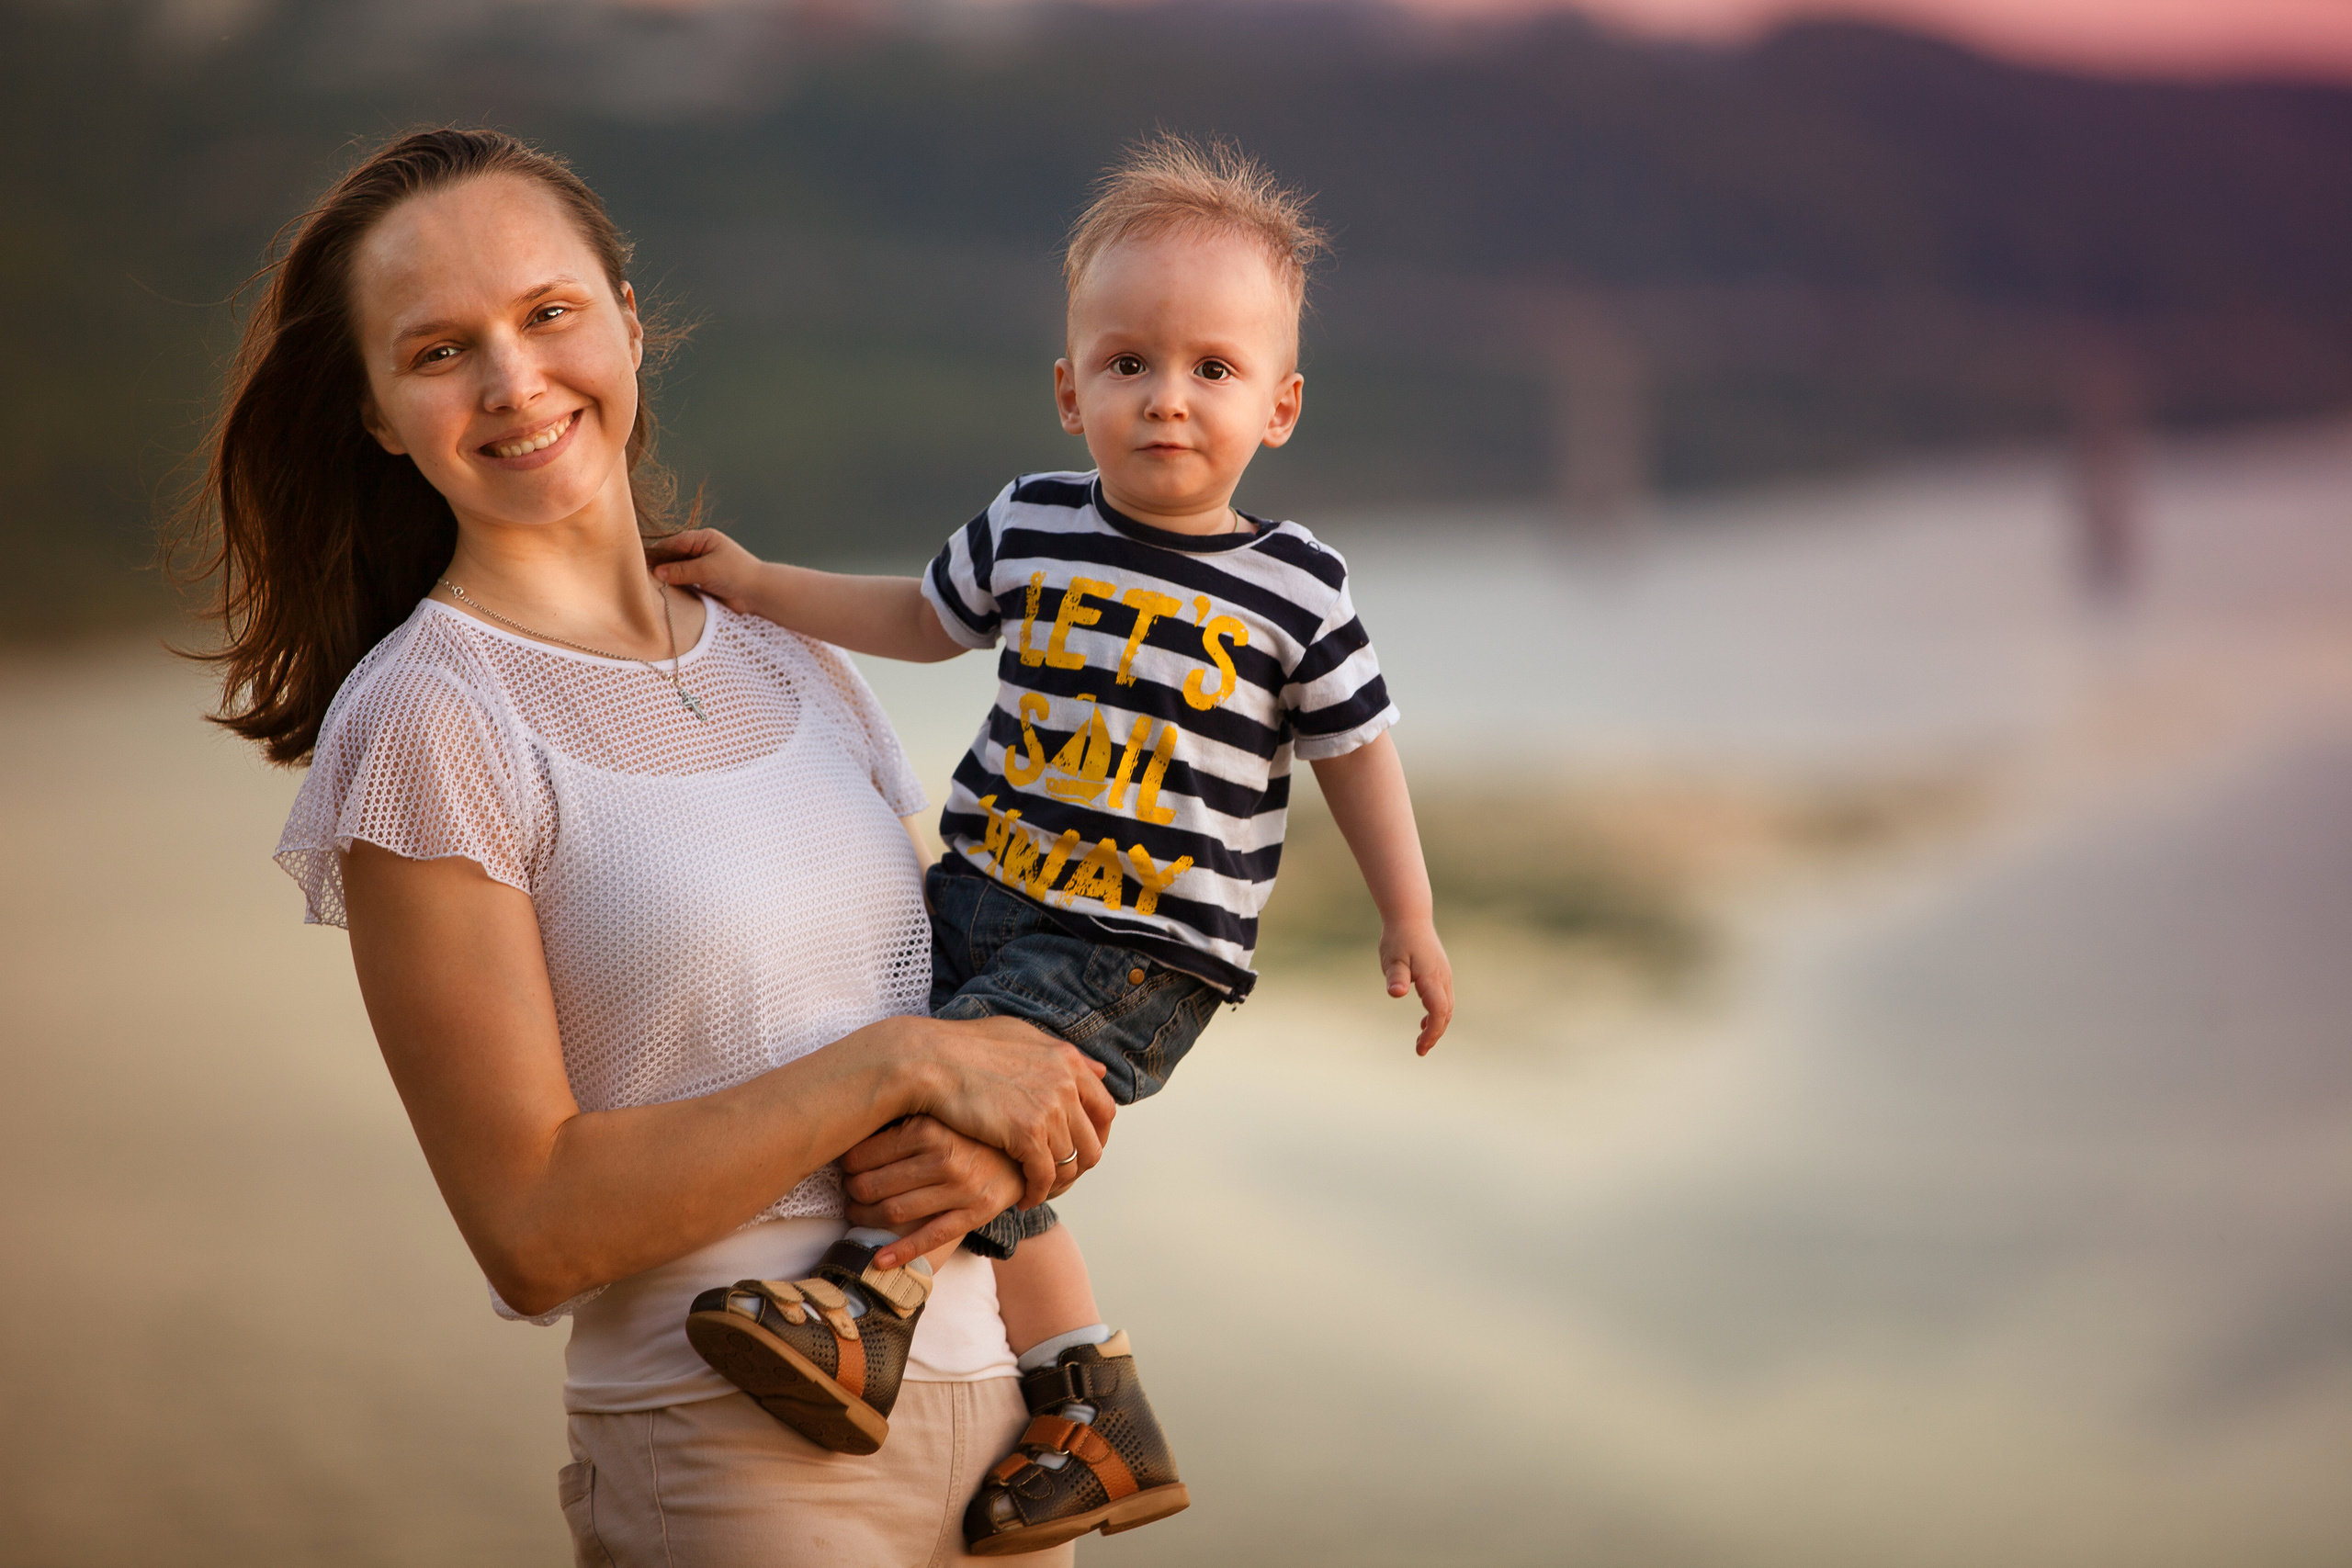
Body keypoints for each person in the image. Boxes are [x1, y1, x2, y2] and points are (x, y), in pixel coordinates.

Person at [170, 125, 1113, 1567]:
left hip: (998, 1433)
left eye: (547, 313)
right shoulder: (433, 718)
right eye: (438, 352)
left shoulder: (803, 665)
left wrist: (1011, 1169)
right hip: (725, 1449)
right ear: (374, 412)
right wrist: (901, 1066)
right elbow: (533, 1227)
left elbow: (959, 1034)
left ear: (624, 313)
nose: (512, 382)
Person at [652, 134, 1456, 1556]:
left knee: (943, 1110)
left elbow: (1356, 754)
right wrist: (759, 588)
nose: (1167, 400)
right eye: (1130, 362)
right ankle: (1095, 1409)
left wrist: (1413, 915)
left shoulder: (1299, 588)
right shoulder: (1030, 522)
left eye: (1213, 370)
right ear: (1071, 386)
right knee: (911, 1078)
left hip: (1141, 949)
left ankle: (861, 1312)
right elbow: (919, 620)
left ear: (1280, 405)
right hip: (979, 894)